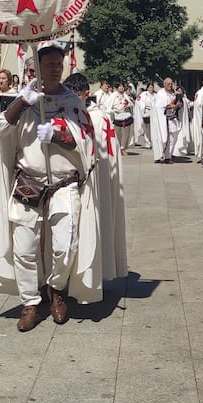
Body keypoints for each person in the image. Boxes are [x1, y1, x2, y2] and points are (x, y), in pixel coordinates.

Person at [0, 42, 98, 332]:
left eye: (59, 64)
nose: (55, 69)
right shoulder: (24, 99)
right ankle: (30, 302)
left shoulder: (73, 102)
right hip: (28, 183)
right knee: (25, 248)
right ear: (37, 67)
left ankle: (56, 289)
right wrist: (22, 102)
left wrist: (58, 135)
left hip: (63, 183)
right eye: (49, 65)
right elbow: (1, 130)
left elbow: (88, 143)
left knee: (66, 246)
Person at [62, 73, 128, 284]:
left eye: (77, 94)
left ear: (86, 94)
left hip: (95, 178)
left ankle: (91, 272)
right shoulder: (65, 114)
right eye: (69, 94)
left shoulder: (98, 117)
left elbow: (107, 152)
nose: (73, 98)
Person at [150, 78, 180, 163]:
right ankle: (159, 155)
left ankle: (168, 156)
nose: (170, 85)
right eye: (168, 84)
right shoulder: (161, 94)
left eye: (171, 84)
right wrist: (170, 106)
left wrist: (177, 105)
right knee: (163, 138)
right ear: (164, 84)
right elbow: (159, 107)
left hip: (171, 119)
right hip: (162, 120)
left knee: (172, 138)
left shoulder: (172, 94)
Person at [134, 82, 154, 149]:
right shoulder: (144, 95)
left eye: (152, 87)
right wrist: (143, 111)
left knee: (153, 129)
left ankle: (152, 142)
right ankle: (147, 143)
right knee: (147, 129)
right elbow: (139, 102)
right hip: (146, 113)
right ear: (147, 88)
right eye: (150, 87)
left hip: (153, 113)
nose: (151, 89)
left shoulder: (155, 95)